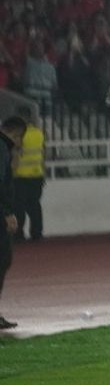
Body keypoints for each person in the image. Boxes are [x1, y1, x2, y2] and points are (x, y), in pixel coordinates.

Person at [0, 116, 28, 331]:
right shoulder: (2, 149)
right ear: (16, 133)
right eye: (21, 139)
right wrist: (7, 213)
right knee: (3, 259)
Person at [13, 107, 45, 242]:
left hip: (21, 176)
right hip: (37, 175)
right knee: (34, 206)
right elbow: (43, 154)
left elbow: (15, 154)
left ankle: (18, 234)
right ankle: (37, 233)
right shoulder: (39, 133)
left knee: (19, 206)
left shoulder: (20, 135)